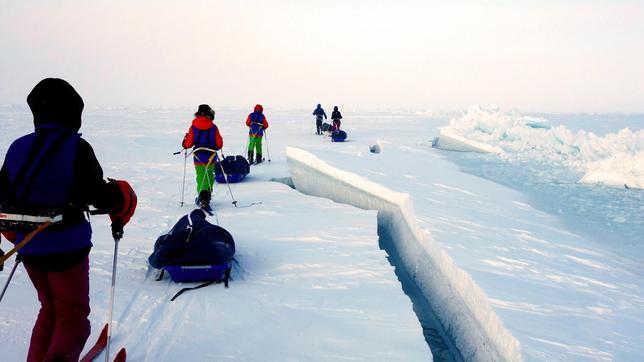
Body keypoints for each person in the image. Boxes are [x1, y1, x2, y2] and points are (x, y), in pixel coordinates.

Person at [0, 78, 136, 362]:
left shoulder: (17, 148)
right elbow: (100, 196)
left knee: (49, 308)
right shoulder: (76, 147)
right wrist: (121, 194)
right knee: (72, 318)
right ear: (73, 113)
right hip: (66, 251)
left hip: (29, 249)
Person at [181, 104, 223, 209]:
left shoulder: (193, 126)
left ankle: (202, 197)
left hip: (198, 156)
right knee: (209, 175)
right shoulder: (213, 127)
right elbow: (219, 144)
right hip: (211, 156)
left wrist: (184, 143)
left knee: (200, 176)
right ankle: (206, 196)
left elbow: (188, 144)